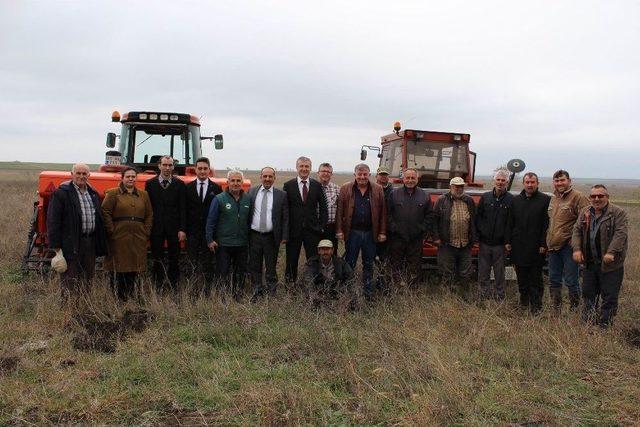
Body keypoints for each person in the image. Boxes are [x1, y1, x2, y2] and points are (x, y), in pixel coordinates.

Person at [46, 163, 108, 301]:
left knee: (87, 277)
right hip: (71, 242)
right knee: (70, 278)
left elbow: (98, 217)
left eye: (84, 173)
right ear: (71, 174)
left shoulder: (93, 193)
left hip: (89, 242)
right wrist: (56, 249)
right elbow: (53, 221)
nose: (81, 176)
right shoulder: (61, 193)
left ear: (89, 175)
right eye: (78, 173)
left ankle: (85, 308)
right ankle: (68, 311)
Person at [572, 185, 628, 327]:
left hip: (610, 265)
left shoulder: (617, 213)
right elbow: (577, 231)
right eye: (593, 196)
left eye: (600, 196)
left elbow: (620, 234)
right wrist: (577, 249)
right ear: (590, 198)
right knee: (588, 294)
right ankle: (589, 323)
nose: (596, 199)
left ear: (607, 197)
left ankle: (605, 326)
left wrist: (611, 252)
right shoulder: (585, 212)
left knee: (609, 296)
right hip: (590, 263)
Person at [336, 163, 387, 299]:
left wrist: (382, 232)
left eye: (365, 174)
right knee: (350, 263)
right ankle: (349, 292)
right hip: (352, 233)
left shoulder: (377, 189)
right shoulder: (346, 188)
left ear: (369, 175)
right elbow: (339, 210)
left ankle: (368, 293)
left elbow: (382, 212)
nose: (362, 177)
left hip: (371, 233)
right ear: (355, 175)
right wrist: (339, 230)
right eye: (360, 174)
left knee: (368, 264)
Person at [101, 167, 153, 300]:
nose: (131, 179)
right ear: (122, 178)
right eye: (128, 176)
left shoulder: (143, 195)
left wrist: (146, 231)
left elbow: (149, 214)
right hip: (119, 236)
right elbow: (105, 211)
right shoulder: (113, 193)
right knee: (118, 266)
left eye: (133, 176)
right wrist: (111, 229)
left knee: (134, 267)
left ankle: (131, 296)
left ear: (136, 178)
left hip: (138, 236)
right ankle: (117, 298)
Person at [506, 172, 550, 314]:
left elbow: (546, 224)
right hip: (518, 246)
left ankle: (536, 306)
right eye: (527, 182)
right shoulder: (515, 200)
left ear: (537, 183)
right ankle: (523, 303)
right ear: (523, 183)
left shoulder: (545, 200)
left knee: (535, 279)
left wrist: (544, 244)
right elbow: (510, 223)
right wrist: (508, 241)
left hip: (537, 247)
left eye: (532, 182)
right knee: (522, 278)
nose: (530, 185)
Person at [546, 170, 589, 312]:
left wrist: (578, 241)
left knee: (571, 280)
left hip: (568, 247)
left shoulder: (578, 197)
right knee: (554, 279)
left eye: (562, 180)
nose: (559, 183)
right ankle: (556, 309)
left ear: (569, 181)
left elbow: (587, 221)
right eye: (557, 181)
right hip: (553, 246)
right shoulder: (554, 198)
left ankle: (574, 310)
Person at [206, 169, 251, 301]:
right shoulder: (219, 199)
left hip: (242, 244)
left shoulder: (248, 199)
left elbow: (250, 221)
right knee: (223, 273)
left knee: (240, 273)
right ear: (227, 182)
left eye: (238, 180)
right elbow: (211, 221)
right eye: (233, 180)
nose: (236, 183)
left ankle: (238, 296)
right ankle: (223, 298)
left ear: (242, 182)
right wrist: (209, 240)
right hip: (224, 244)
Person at [283, 156, 328, 284]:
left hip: (312, 231)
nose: (304, 169)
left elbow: (324, 208)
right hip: (294, 231)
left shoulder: (317, 185)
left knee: (313, 261)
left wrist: (320, 227)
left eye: (306, 166)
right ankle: (290, 287)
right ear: (297, 168)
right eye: (301, 166)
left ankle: (313, 285)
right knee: (291, 261)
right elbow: (285, 210)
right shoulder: (288, 185)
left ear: (310, 168)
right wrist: (286, 230)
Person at [145, 155, 186, 292]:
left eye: (170, 165)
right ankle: (158, 284)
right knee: (157, 257)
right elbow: (148, 207)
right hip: (156, 227)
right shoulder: (150, 184)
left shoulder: (179, 184)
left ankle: (174, 285)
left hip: (174, 228)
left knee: (174, 257)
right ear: (159, 166)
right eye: (165, 165)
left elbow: (182, 208)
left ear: (173, 167)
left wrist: (182, 229)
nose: (167, 168)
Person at [248, 167, 289, 300]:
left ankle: (272, 292)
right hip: (254, 235)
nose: (267, 179)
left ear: (274, 178)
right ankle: (257, 290)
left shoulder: (281, 195)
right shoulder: (252, 192)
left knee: (271, 266)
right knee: (255, 265)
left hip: (271, 237)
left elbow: (285, 217)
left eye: (270, 176)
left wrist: (284, 236)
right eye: (265, 176)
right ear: (260, 177)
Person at [386, 168, 433, 286]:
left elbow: (429, 216)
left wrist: (422, 229)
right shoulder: (394, 194)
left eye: (413, 178)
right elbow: (387, 214)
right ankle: (396, 288)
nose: (410, 180)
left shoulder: (425, 195)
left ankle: (413, 290)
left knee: (415, 266)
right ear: (403, 179)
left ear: (417, 179)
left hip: (416, 238)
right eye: (408, 178)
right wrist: (394, 228)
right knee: (396, 264)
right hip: (397, 238)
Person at [433, 177, 477, 295]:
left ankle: (464, 296)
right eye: (456, 186)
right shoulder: (441, 200)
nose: (458, 188)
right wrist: (436, 238)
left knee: (465, 272)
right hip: (447, 243)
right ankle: (447, 297)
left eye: (461, 186)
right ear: (450, 187)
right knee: (447, 272)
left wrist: (474, 238)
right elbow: (434, 221)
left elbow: (473, 220)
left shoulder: (469, 201)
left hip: (465, 244)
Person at [185, 157, 222, 295]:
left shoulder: (217, 188)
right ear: (195, 169)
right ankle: (192, 291)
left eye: (205, 168)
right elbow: (185, 211)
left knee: (208, 263)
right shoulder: (188, 188)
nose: (202, 171)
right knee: (192, 263)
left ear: (209, 170)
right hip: (192, 233)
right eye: (199, 168)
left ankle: (208, 291)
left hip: (209, 234)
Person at [475, 169, 514, 301]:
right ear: (494, 181)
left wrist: (508, 241)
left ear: (507, 182)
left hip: (501, 244)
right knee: (483, 271)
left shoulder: (511, 200)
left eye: (503, 180)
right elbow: (478, 217)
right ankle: (482, 295)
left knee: (500, 272)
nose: (500, 182)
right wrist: (480, 234)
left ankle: (499, 296)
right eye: (498, 180)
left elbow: (511, 222)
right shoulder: (485, 197)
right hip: (484, 242)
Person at [317, 162, 340, 249]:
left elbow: (340, 209)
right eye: (323, 171)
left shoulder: (336, 189)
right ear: (318, 173)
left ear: (331, 174)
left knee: (332, 252)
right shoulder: (312, 187)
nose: (326, 173)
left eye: (328, 172)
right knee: (315, 252)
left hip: (331, 228)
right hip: (316, 227)